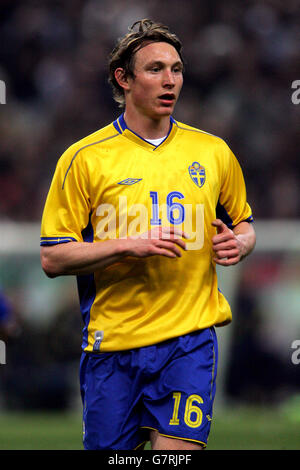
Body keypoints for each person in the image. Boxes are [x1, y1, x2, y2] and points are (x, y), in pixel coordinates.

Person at [40, 19, 256, 451]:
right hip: (113, 346)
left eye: (176, 69)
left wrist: (242, 242)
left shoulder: (213, 152)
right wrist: (127, 244)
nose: (170, 80)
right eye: (155, 69)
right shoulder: (83, 159)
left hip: (189, 340)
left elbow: (244, 222)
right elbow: (53, 259)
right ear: (124, 79)